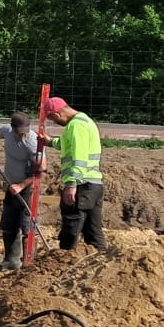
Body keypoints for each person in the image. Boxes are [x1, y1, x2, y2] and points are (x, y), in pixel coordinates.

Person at [0, 108, 42, 270]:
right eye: (20, 132)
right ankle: (11, 261)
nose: (23, 135)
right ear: (13, 128)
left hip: (27, 188)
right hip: (11, 184)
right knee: (9, 223)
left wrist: (21, 185)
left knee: (27, 224)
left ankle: (29, 262)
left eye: (25, 132)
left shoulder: (33, 143)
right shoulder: (7, 131)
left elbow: (40, 172)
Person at [44, 95, 105, 252]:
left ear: (58, 114)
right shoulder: (84, 121)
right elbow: (70, 145)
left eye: (53, 119)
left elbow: (79, 156)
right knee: (93, 230)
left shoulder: (76, 126)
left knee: (71, 226)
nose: (54, 122)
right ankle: (100, 262)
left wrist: (71, 184)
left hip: (82, 184)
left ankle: (63, 261)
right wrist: (51, 141)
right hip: (94, 185)